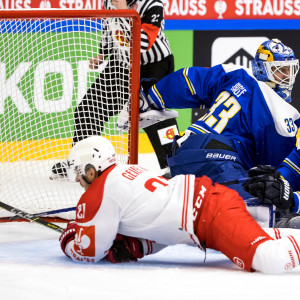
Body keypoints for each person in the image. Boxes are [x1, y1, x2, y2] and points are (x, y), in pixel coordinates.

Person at [59, 136, 300, 274]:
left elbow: (90, 252)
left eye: (79, 175)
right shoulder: (127, 171)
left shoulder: (100, 191)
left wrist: (69, 239)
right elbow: (162, 221)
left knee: (269, 259)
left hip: (211, 216)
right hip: (209, 206)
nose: (79, 182)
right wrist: (139, 245)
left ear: (90, 170)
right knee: (261, 238)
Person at [140, 38, 300, 227]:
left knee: (180, 204)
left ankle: (173, 190)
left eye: (290, 69)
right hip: (221, 162)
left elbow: (189, 79)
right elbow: (271, 176)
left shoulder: (234, 73)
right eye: (280, 70)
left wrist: (151, 97)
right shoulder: (284, 113)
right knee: (256, 210)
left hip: (183, 150)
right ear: (261, 69)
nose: (287, 76)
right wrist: (286, 199)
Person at [51, 0, 178, 178]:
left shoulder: (152, 4)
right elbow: (109, 28)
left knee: (155, 116)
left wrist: (124, 11)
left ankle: (175, 166)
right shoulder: (109, 2)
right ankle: (80, 162)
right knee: (88, 108)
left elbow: (141, 44)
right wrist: (103, 53)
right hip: (122, 64)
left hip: (154, 65)